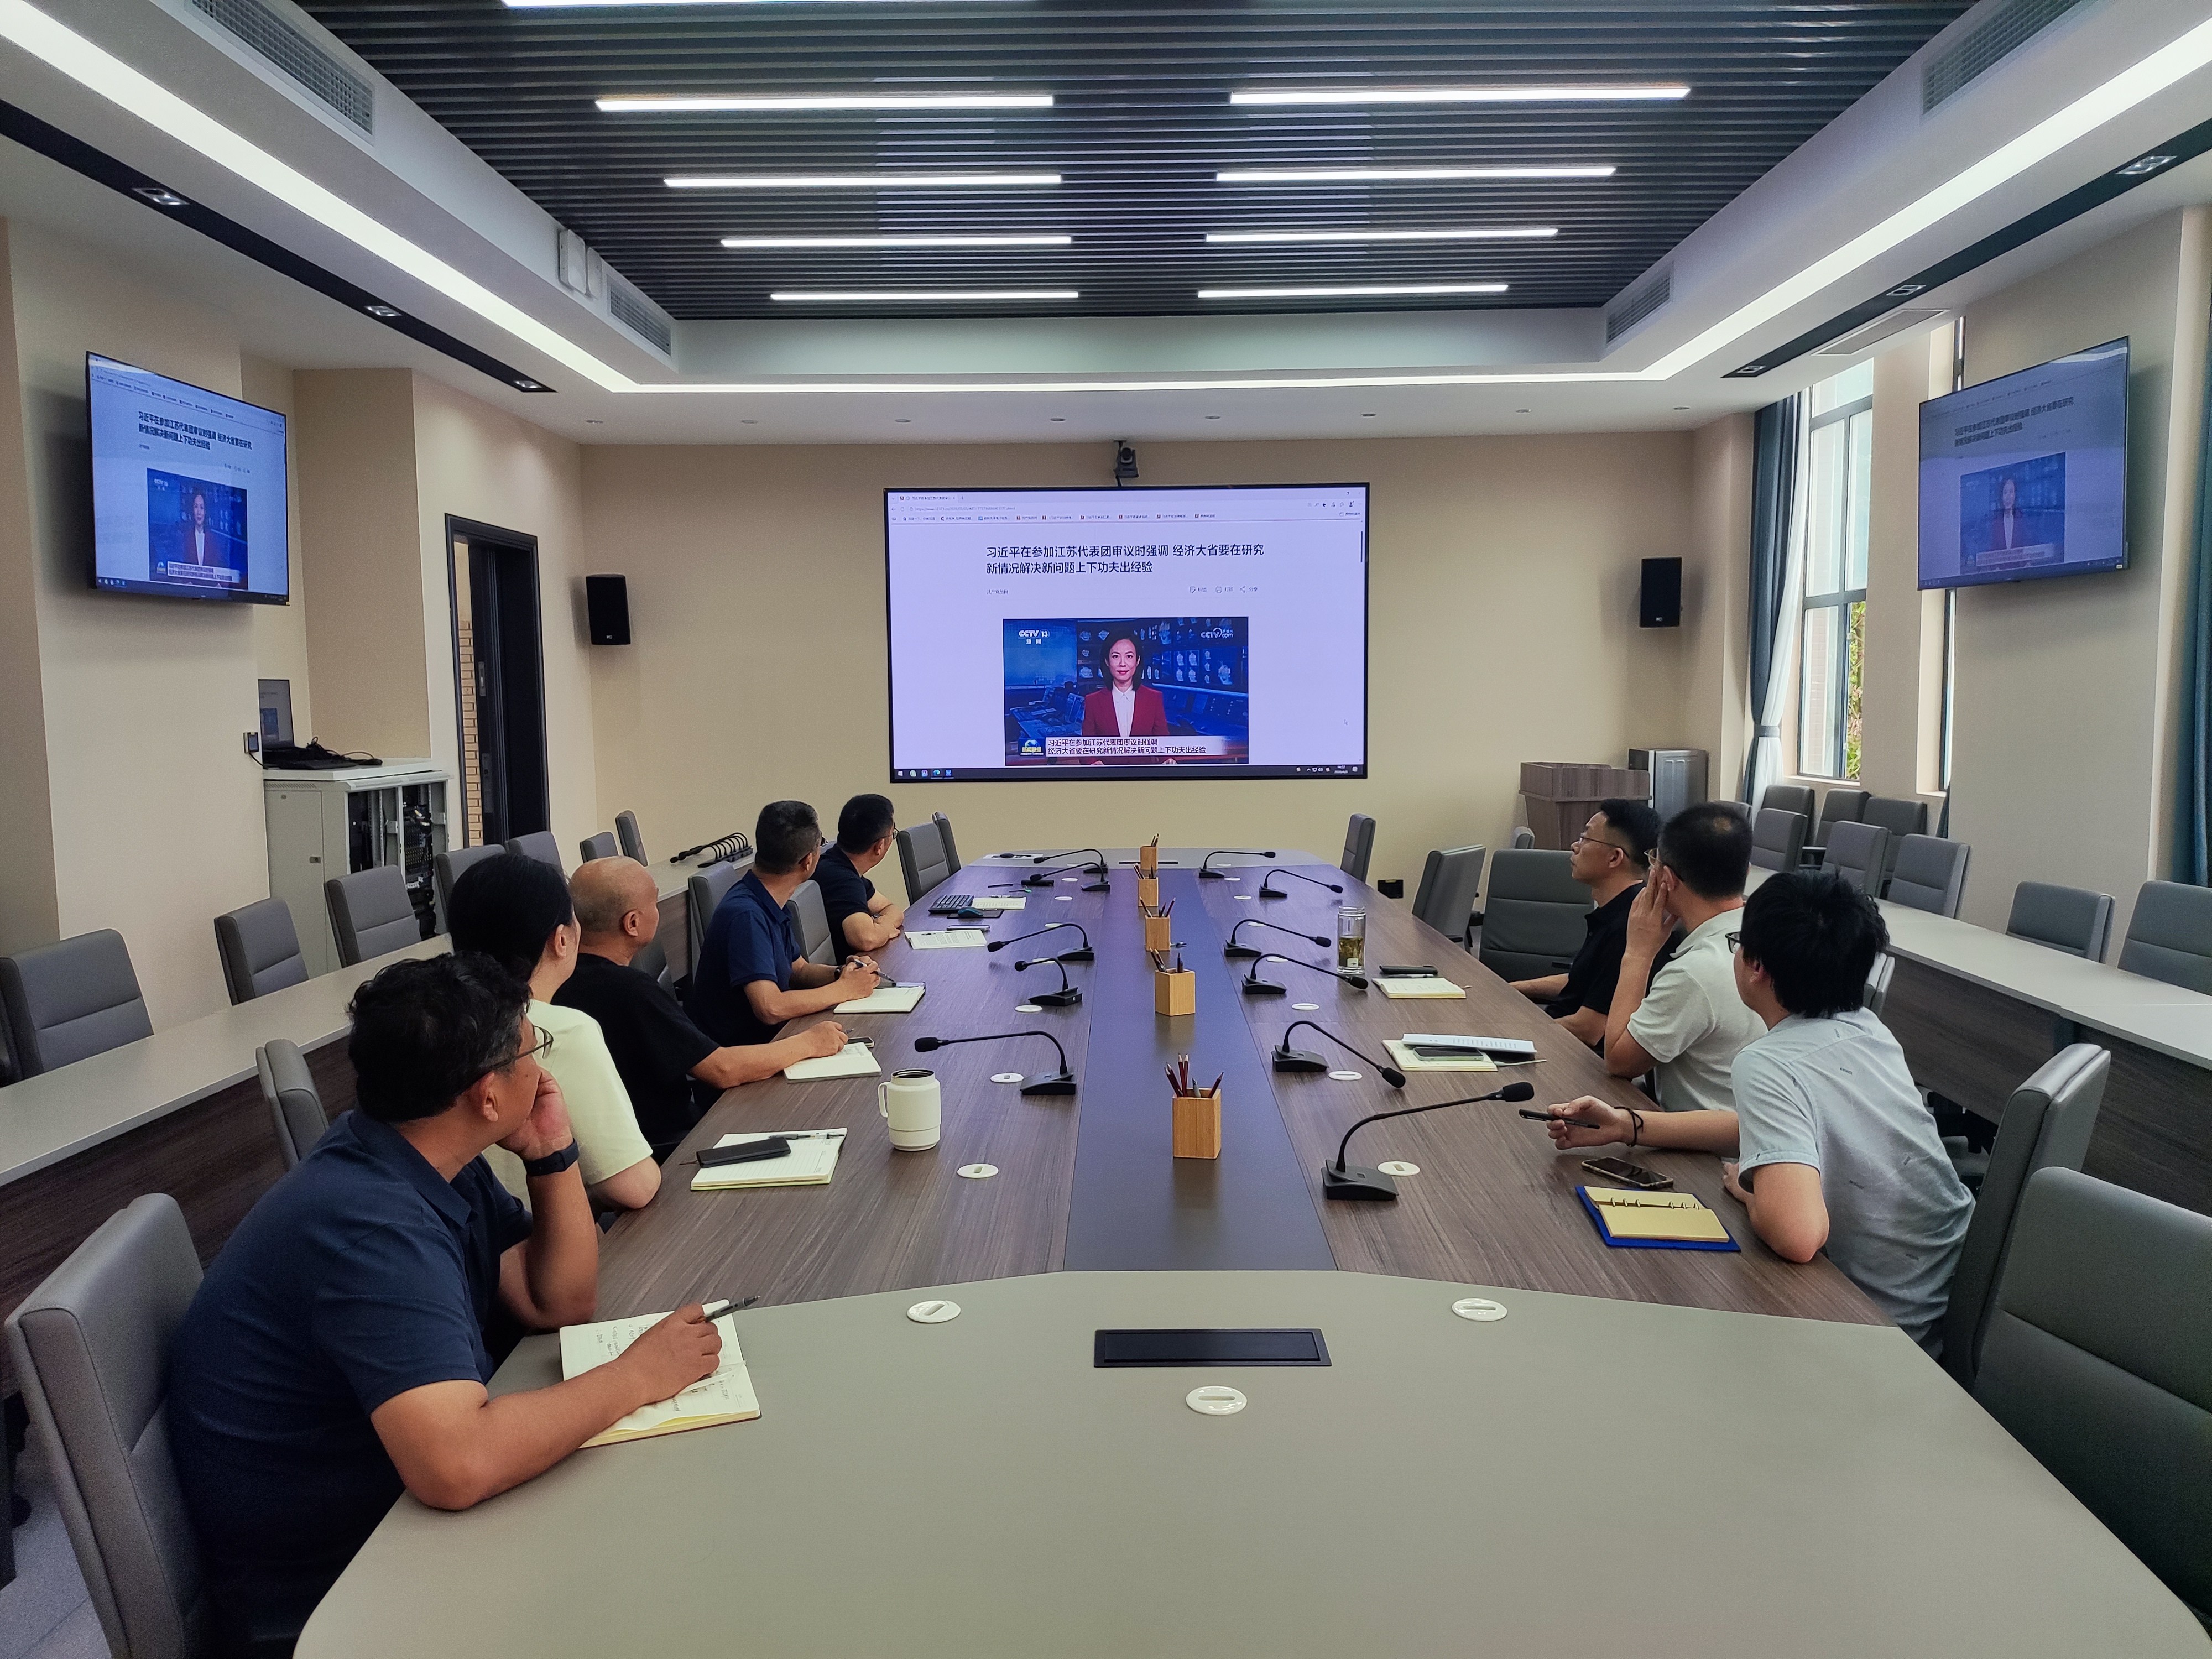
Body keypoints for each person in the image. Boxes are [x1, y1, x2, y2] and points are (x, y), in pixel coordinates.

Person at [167, 954, 723, 1651]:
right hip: (337, 1593)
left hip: (396, 1523)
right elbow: (458, 1465)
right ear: (487, 1096)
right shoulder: (372, 1229)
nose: (542, 1069)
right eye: (534, 1051)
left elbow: (556, 1301)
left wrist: (551, 1152)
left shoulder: (419, 1155)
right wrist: (636, 1377)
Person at [1543, 872, 1973, 1353]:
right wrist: (1629, 1125)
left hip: (1879, 1326)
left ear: (1756, 967)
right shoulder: (1867, 1029)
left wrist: (1750, 1190)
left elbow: (1798, 1236)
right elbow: (1780, 1129)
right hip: (1940, 1296)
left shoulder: (1769, 1062)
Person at [560, 856, 848, 1159]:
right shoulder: (630, 991)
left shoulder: (563, 982)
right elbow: (722, 1069)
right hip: (674, 1149)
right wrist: (809, 1042)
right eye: (655, 903)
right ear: (632, 923)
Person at [447, 852, 658, 1209]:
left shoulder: (437, 1021)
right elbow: (633, 1187)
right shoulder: (564, 1030)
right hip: (537, 1233)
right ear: (561, 940)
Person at [1599, 802, 1766, 1110]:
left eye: (1654, 862)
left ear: (1666, 879)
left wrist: (1638, 954)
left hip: (1696, 1138)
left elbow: (1619, 1061)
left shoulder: (1693, 974)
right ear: (1746, 870)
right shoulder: (1771, 934)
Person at [687, 800, 879, 1047]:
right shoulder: (747, 915)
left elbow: (798, 971)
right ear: (808, 861)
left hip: (773, 1041)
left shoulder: (768, 898)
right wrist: (844, 990)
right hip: (744, 1056)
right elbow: (770, 1008)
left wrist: (842, 973)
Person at [1510, 797, 1660, 1048]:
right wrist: (1513, 988)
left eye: (1585, 838)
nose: (1575, 846)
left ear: (1614, 858)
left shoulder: (1630, 927)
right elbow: (1584, 981)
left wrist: (1508, 1033)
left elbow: (1589, 1029)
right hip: (1556, 1036)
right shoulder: (1617, 909)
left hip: (1571, 1055)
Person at [814, 794, 907, 959]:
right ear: (879, 847)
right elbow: (866, 939)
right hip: (840, 971)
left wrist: (881, 926)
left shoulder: (837, 862)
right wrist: (885, 929)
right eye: (893, 834)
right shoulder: (843, 880)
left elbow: (892, 909)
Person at [1080, 633, 1170, 748]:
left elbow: (1163, 744)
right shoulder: (1093, 701)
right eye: (1116, 657)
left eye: (1129, 656)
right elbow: (1087, 748)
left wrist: (1168, 757)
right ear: (1107, 661)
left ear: (1137, 661)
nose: (1122, 664)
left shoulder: (1154, 698)